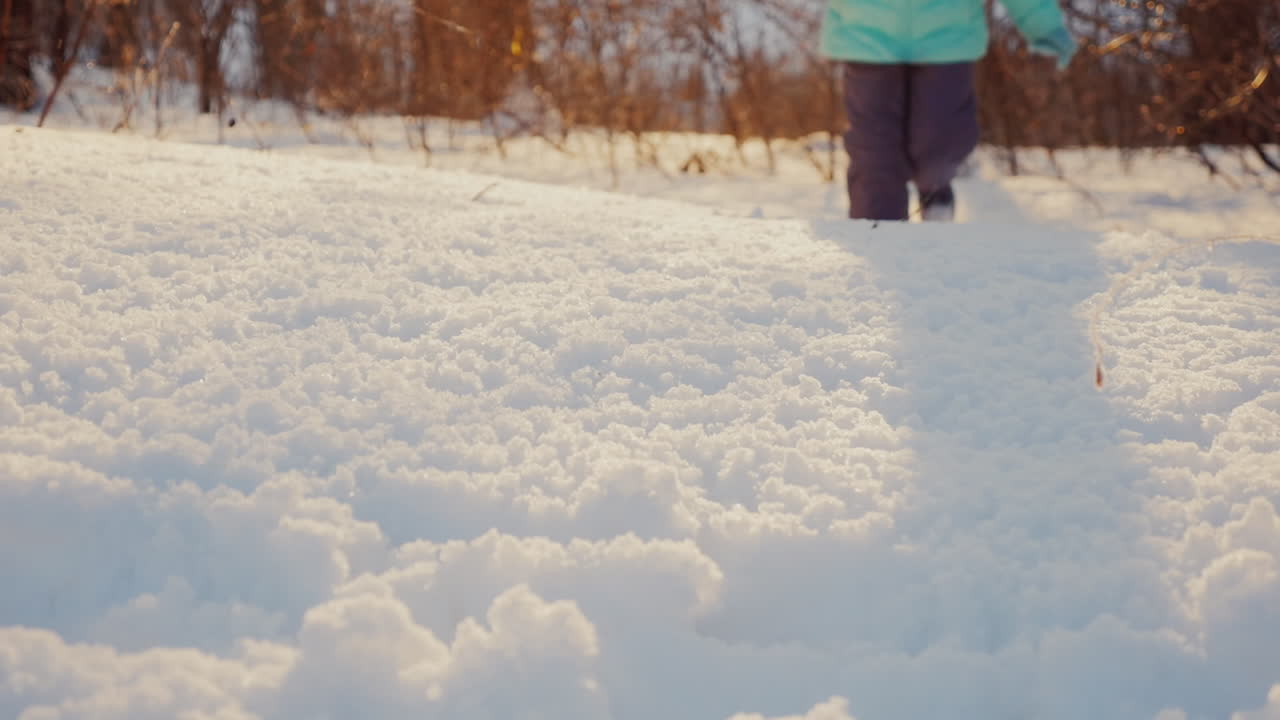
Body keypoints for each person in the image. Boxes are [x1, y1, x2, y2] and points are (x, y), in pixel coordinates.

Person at [821, 0, 1077, 221]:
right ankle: (878, 235)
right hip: (865, 33)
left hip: (948, 37)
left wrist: (1044, 26)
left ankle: (935, 195)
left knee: (939, 143)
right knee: (874, 153)